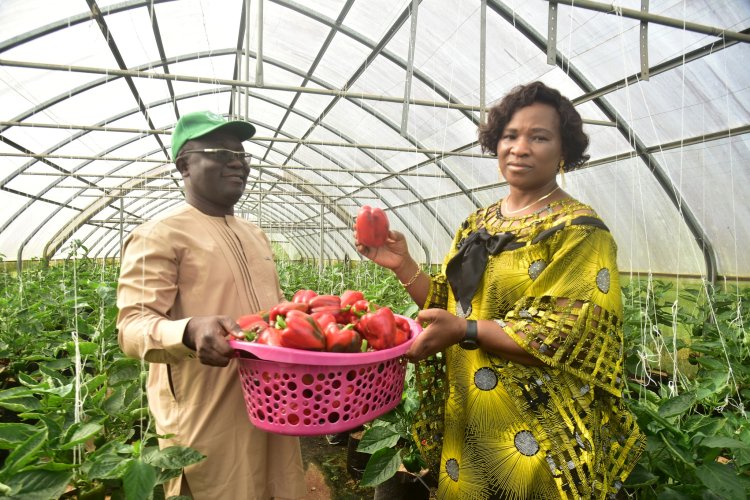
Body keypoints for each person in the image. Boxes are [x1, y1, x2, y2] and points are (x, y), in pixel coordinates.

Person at [356, 82, 645, 499]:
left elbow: (561, 335)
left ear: (564, 150)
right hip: (468, 415)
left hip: (536, 426)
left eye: (539, 137)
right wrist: (403, 265)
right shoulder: (477, 223)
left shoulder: (579, 231)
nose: (520, 148)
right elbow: (449, 308)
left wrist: (465, 331)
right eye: (510, 136)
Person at [116, 111, 306, 499]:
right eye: (220, 153)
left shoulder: (254, 234)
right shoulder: (160, 235)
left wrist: (304, 315)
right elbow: (131, 327)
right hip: (208, 410)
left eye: (242, 155)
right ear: (184, 165)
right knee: (220, 486)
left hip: (274, 399)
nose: (237, 162)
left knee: (277, 484)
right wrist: (186, 330)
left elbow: (270, 308)